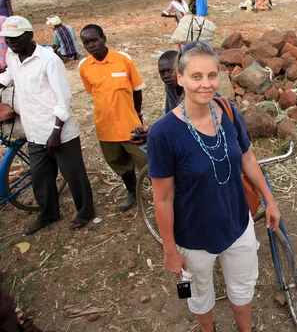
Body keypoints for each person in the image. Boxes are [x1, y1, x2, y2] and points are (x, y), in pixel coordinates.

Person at [147, 42, 281, 332]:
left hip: (237, 224)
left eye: (212, 75)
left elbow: (247, 157)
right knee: (199, 293)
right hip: (194, 236)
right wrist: (170, 249)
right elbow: (163, 198)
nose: (206, 84)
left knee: (243, 286)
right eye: (196, 76)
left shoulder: (227, 111)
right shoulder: (163, 134)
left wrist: (270, 200)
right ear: (180, 78)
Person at [0, 16, 94, 234]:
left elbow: (64, 98)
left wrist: (56, 132)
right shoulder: (14, 57)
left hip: (58, 131)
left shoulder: (48, 60)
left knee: (73, 175)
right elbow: (9, 76)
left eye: (16, 38)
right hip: (34, 130)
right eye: (7, 38)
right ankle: (48, 213)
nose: (11, 42)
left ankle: (85, 212)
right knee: (41, 178)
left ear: (30, 36)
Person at [79, 24, 146, 212]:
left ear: (104, 39)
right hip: (105, 126)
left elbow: (137, 89)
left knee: (144, 160)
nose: (91, 45)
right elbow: (93, 92)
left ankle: (160, 193)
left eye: (94, 40)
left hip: (129, 124)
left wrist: (137, 114)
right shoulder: (84, 67)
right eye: (86, 43)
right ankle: (132, 192)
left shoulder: (123, 60)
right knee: (118, 163)